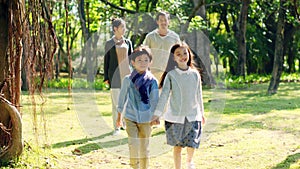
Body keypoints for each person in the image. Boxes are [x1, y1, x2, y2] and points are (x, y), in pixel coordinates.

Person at [151, 42, 205, 169]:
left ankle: (190, 162)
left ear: (189, 55)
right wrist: (157, 114)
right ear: (173, 58)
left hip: (193, 116)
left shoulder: (194, 74)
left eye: (185, 53)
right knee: (178, 146)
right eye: (178, 54)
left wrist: (201, 113)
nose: (182, 56)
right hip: (175, 117)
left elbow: (199, 94)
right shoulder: (171, 75)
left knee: (192, 143)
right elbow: (164, 96)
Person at [116, 45, 159, 169]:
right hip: (130, 117)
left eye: (146, 60)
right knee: (133, 145)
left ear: (150, 62)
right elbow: (122, 99)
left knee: (144, 147)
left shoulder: (152, 81)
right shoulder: (127, 80)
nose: (143, 63)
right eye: (139, 60)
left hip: (147, 119)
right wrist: (119, 117)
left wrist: (156, 116)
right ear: (133, 62)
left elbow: (155, 100)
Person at [104, 18, 133, 135]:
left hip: (127, 76)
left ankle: (125, 125)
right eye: (122, 27)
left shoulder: (128, 42)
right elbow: (106, 61)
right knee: (116, 103)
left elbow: (132, 60)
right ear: (115, 29)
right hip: (114, 77)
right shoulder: (109, 43)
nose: (124, 29)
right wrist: (106, 77)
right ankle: (116, 128)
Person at [143, 11, 180, 80]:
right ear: (157, 22)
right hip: (153, 71)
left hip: (169, 71)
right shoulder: (150, 36)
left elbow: (178, 54)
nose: (163, 22)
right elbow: (144, 54)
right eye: (161, 20)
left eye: (165, 20)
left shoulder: (175, 37)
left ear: (169, 21)